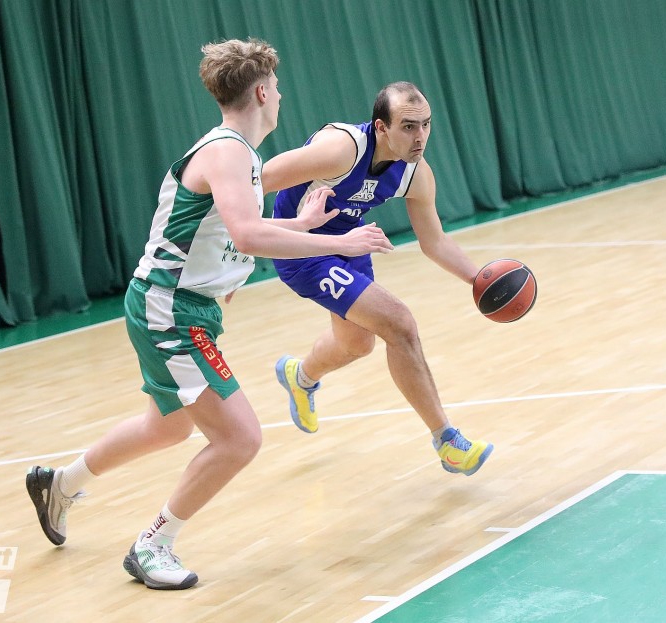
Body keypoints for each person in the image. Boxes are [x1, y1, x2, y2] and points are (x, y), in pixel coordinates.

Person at [25, 38, 392, 591]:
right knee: (240, 438)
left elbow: (229, 229)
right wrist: (337, 243)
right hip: (170, 309)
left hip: (175, 304)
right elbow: (246, 234)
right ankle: (152, 545)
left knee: (167, 426)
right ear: (262, 92)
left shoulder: (239, 155)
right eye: (277, 87)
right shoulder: (229, 152)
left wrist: (304, 227)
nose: (281, 96)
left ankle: (60, 484)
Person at [262, 81, 493, 477]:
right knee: (399, 323)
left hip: (351, 242)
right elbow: (257, 180)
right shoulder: (341, 150)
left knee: (357, 344)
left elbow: (435, 242)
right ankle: (447, 441)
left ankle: (300, 376)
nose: (420, 136)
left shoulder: (415, 173)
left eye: (426, 124)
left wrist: (478, 280)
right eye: (408, 126)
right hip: (301, 247)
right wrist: (233, 248)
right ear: (381, 127)